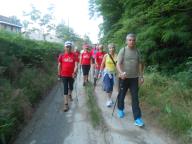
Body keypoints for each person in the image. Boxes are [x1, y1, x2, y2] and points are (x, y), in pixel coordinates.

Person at [116, 33, 145, 127]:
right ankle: (120, 109)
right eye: (130, 40)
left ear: (135, 41)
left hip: (134, 78)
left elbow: (140, 64)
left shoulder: (137, 51)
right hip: (123, 78)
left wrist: (141, 76)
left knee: (135, 98)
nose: (131, 41)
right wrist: (121, 73)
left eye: (133, 40)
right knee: (121, 95)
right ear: (126, 41)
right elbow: (118, 64)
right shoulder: (123, 50)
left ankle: (137, 118)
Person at [58, 41, 78, 112]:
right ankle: (66, 104)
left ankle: (70, 94)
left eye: (69, 47)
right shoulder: (61, 55)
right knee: (65, 88)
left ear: (71, 47)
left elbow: (76, 65)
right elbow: (59, 65)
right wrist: (59, 74)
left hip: (72, 75)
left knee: (71, 87)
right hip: (64, 75)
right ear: (64, 47)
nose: (68, 48)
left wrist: (75, 71)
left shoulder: (74, 55)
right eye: (67, 46)